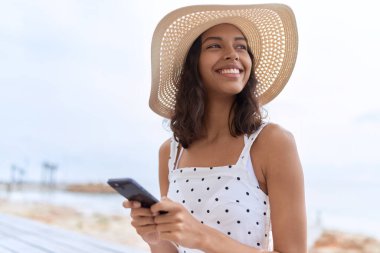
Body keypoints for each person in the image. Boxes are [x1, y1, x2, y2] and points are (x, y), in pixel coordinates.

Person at [123, 4, 306, 253]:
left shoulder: (272, 142)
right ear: (192, 65)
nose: (233, 54)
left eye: (241, 46)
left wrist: (202, 237)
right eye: (215, 45)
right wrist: (155, 238)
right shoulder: (170, 152)